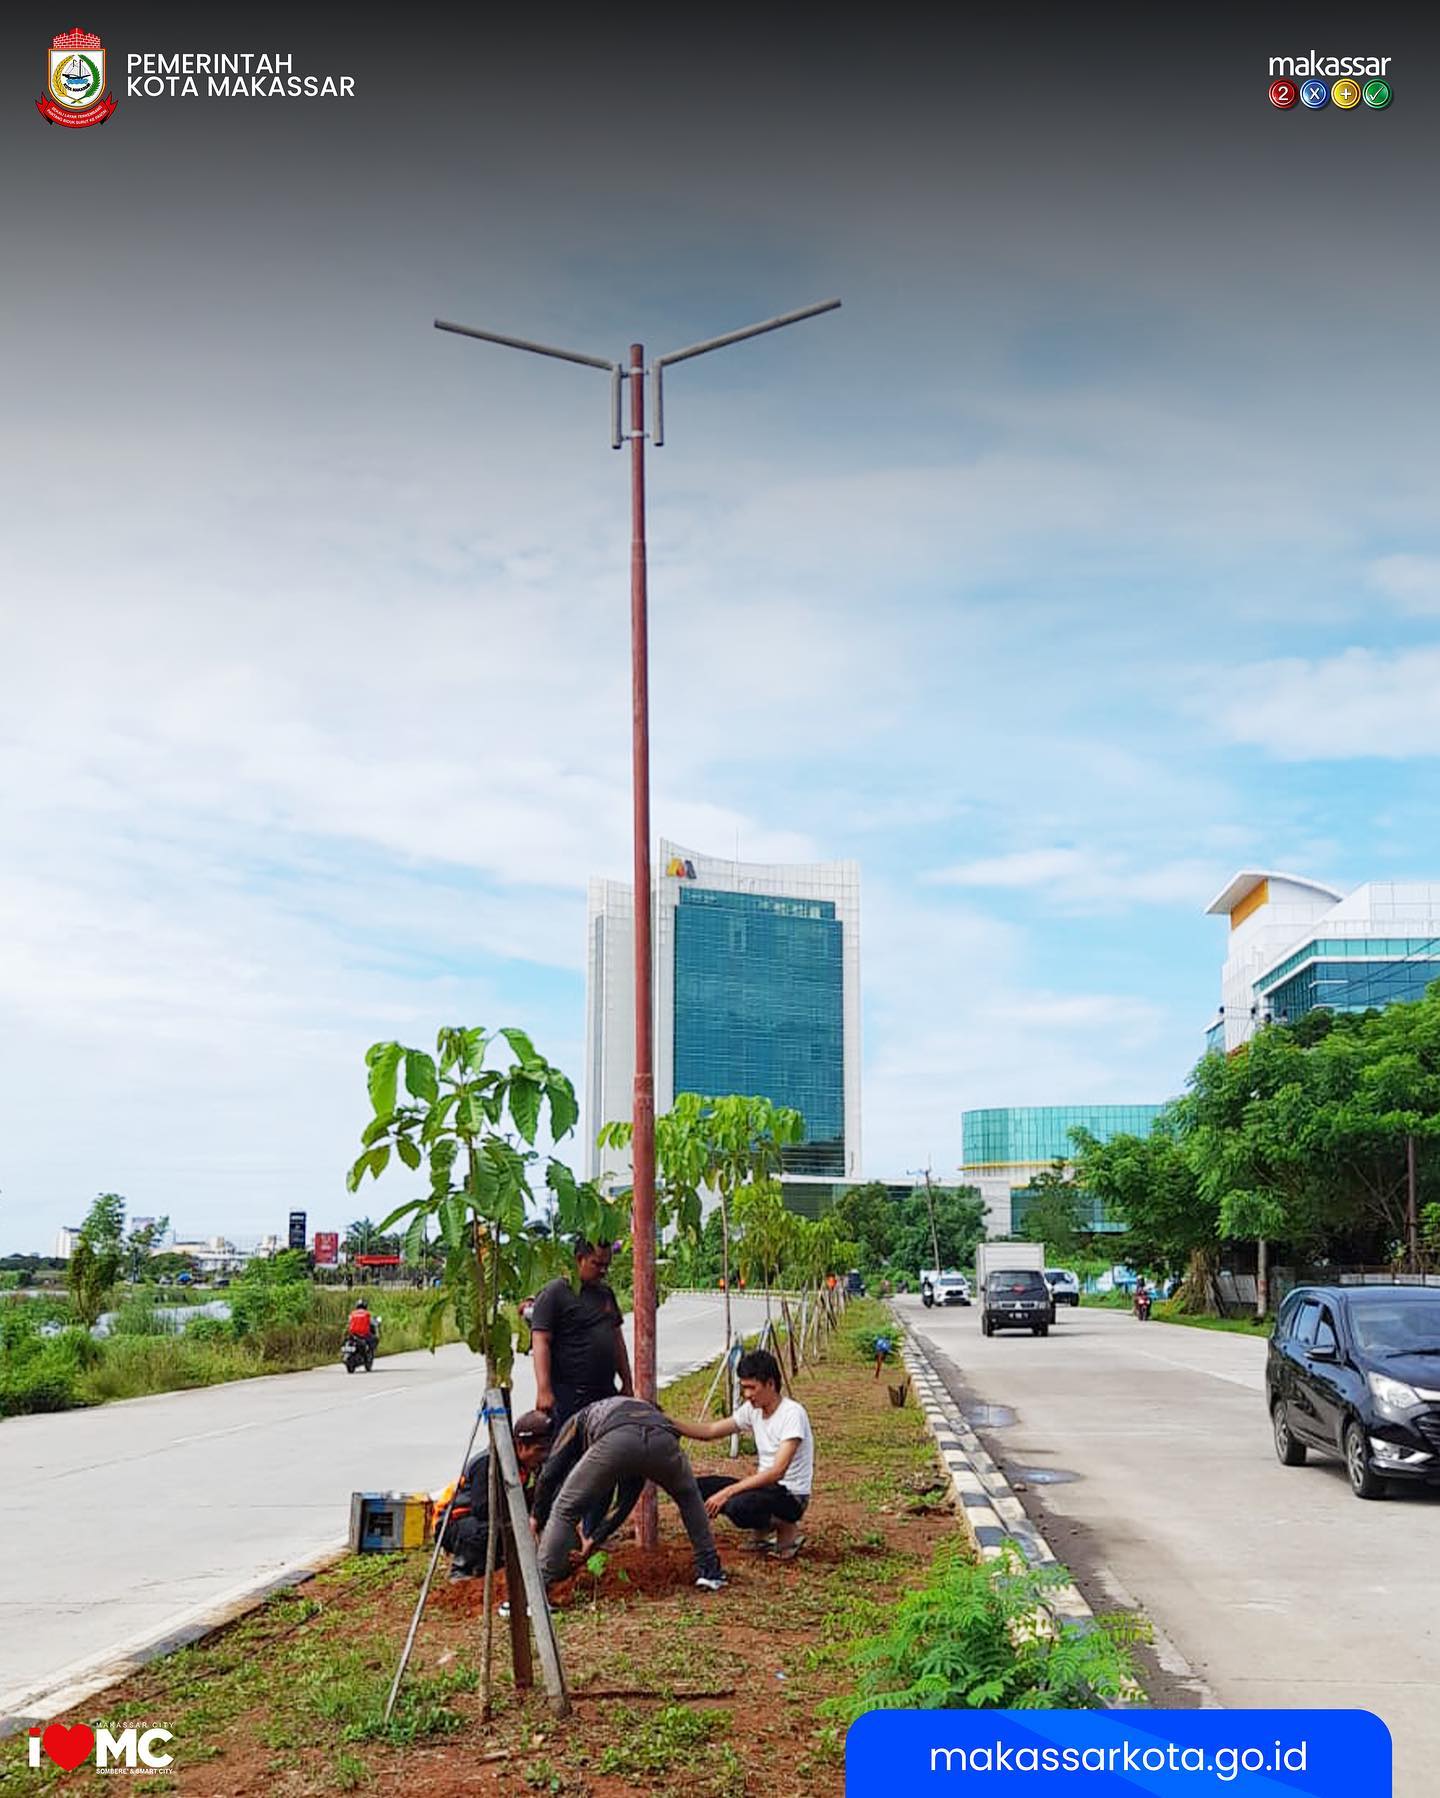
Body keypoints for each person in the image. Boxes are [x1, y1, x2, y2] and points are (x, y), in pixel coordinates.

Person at [531, 1396, 726, 1592]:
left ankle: (540, 1585)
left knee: (565, 1508)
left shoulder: (577, 1420)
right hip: (662, 1439)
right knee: (689, 1498)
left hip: (617, 1437)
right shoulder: (643, 1412)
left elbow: (549, 1474)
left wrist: (535, 1519)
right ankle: (710, 1572)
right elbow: (626, 1500)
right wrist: (593, 1540)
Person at [673, 1348, 813, 1559]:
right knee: (694, 1488)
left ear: (770, 1384)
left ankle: (786, 1526)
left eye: (751, 1388)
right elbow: (711, 1431)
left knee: (738, 1507)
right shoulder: (752, 1410)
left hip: (791, 1496)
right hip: (764, 1489)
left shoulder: (792, 1414)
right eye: (743, 1387)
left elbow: (777, 1472)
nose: (747, 1394)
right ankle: (763, 1529)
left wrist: (727, 1492)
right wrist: (670, 1424)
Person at [441, 1409, 553, 1582]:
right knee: (500, 1531)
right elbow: (482, 1509)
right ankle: (463, 1567)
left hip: (478, 1519)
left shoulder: (523, 1465)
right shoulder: (488, 1463)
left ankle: (494, 1562)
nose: (543, 1457)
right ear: (521, 1446)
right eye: (539, 1450)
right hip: (454, 1522)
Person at [530, 1238, 633, 1426]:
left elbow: (617, 1340)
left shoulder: (606, 1294)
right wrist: (543, 1390)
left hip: (605, 1394)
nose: (603, 1271)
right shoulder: (555, 1293)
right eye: (597, 1264)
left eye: (606, 1265)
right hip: (570, 1398)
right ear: (579, 1259)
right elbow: (540, 1340)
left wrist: (627, 1382)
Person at [345, 1297, 378, 1370]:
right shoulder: (367, 1314)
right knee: (374, 1339)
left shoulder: (352, 1314)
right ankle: (367, 1357)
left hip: (353, 1334)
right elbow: (373, 1323)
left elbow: (349, 1322)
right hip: (364, 1334)